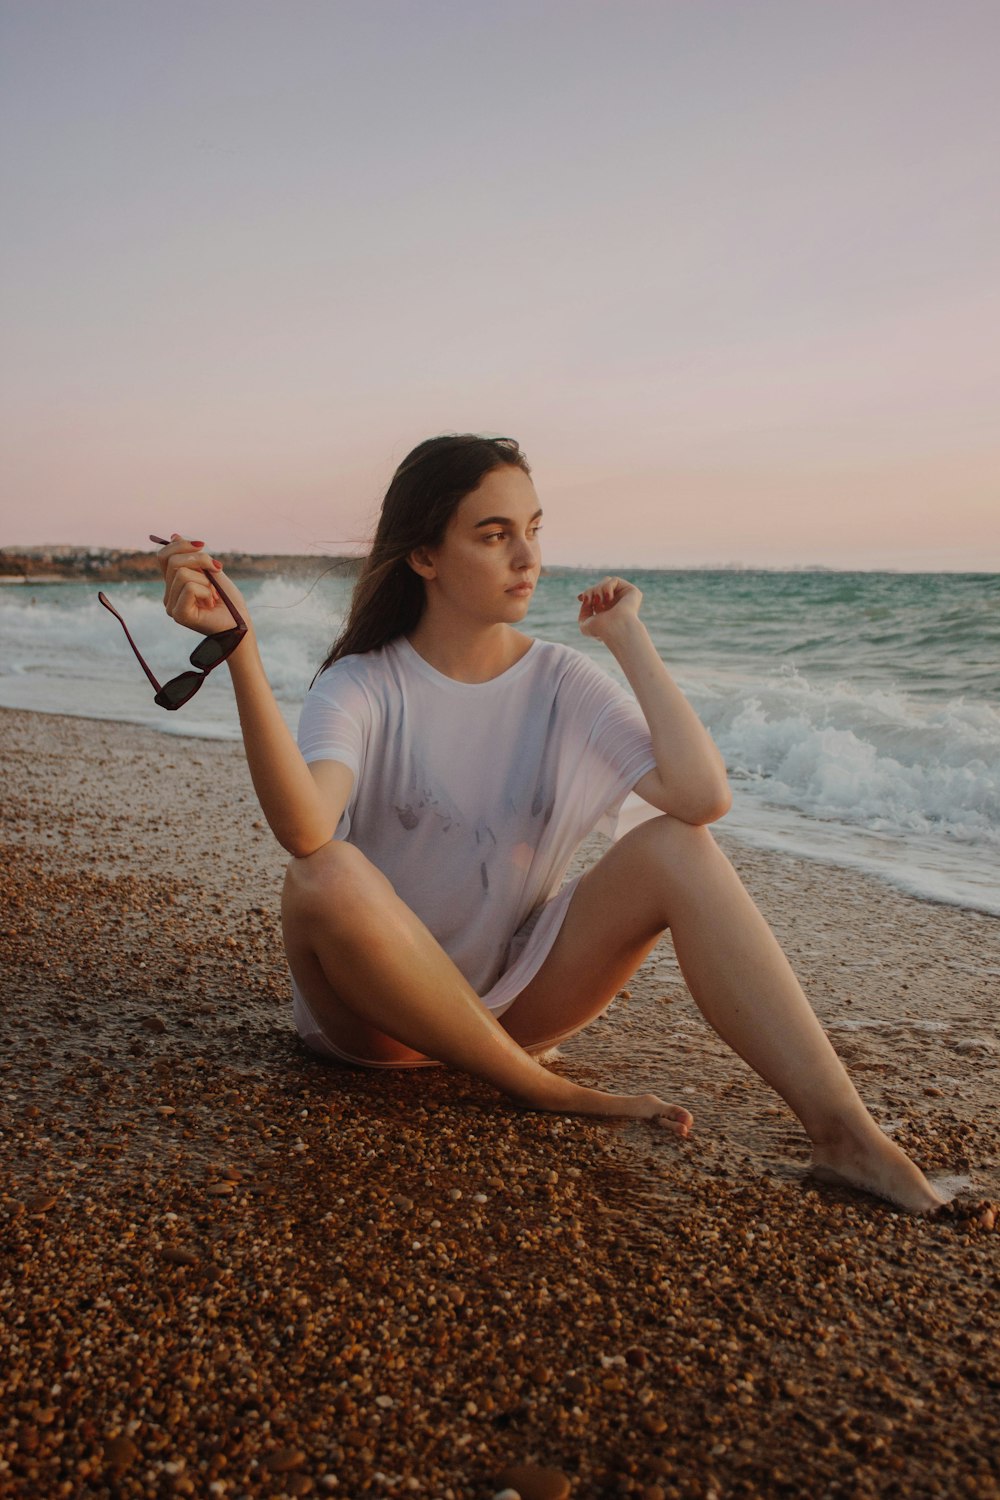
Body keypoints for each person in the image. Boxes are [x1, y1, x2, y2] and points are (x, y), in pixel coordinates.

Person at [157, 433, 945, 1214]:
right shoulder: (362, 685)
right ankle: (537, 1088)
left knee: (677, 844)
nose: (527, 559)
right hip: (377, 1031)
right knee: (324, 873)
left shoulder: (562, 679)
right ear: (425, 556)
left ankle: (845, 1135)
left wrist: (629, 640)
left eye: (532, 529)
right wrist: (242, 652)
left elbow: (700, 797)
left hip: (517, 1004)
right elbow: (305, 828)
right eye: (494, 535)